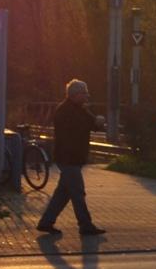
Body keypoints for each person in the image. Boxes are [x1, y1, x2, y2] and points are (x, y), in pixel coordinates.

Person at [36, 78, 106, 237]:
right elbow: (82, 127)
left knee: (63, 193)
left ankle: (46, 222)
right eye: (84, 94)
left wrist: (97, 122)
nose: (86, 97)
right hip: (69, 158)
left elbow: (92, 125)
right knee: (78, 192)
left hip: (72, 157)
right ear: (75, 95)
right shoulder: (66, 111)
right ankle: (85, 225)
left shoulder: (78, 109)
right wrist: (96, 121)